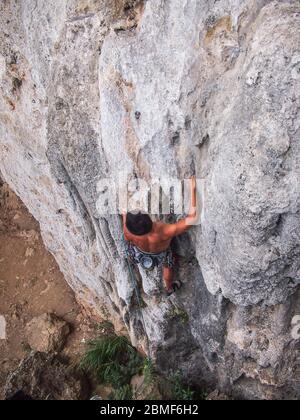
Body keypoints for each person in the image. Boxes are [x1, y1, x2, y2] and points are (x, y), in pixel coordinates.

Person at [123, 176, 198, 295]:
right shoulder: (163, 231)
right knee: (167, 267)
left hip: (139, 251)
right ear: (148, 219)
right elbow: (192, 218)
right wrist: (193, 190)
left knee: (130, 247)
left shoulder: (127, 231)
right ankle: (169, 288)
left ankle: (135, 260)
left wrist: (125, 213)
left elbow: (126, 229)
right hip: (161, 252)